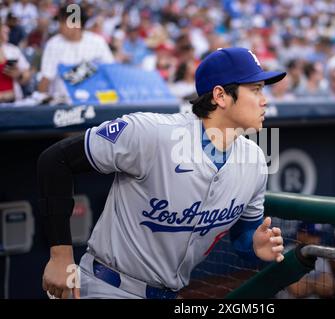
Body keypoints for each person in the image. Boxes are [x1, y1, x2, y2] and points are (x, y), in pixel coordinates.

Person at [37, 47, 287, 299]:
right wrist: (61, 257)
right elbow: (55, 159)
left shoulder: (254, 160)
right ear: (220, 96)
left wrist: (255, 246)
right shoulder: (151, 133)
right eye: (255, 90)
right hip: (108, 287)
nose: (264, 99)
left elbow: (244, 237)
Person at [36, 5, 114, 104]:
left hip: (94, 100)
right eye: (60, 21)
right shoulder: (54, 44)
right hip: (63, 105)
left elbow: (110, 70)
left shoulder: (97, 42)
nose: (59, 25)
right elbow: (46, 78)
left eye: (63, 22)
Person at [0, 23, 31, 102]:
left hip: (13, 103)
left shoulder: (13, 50)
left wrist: (19, 75)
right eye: (3, 27)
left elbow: (27, 76)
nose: (8, 29)